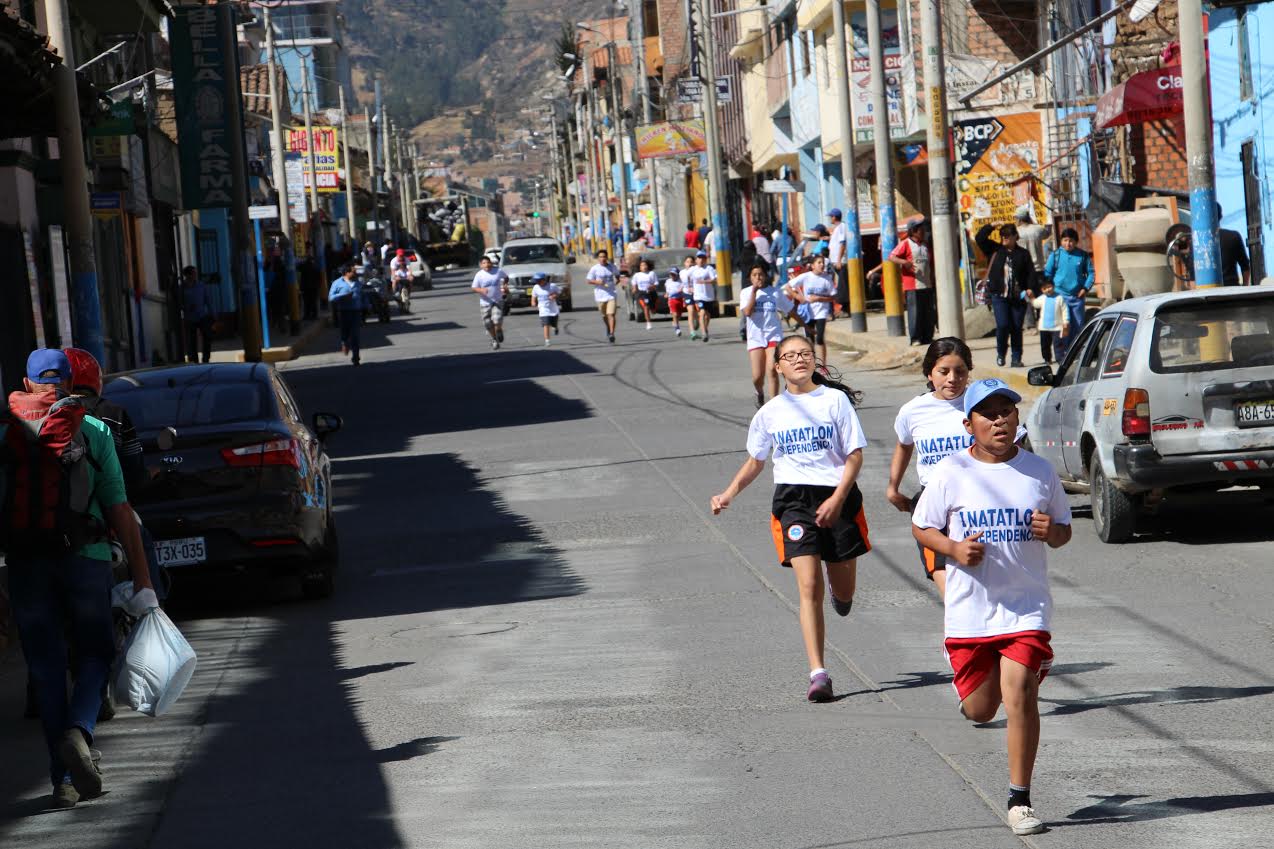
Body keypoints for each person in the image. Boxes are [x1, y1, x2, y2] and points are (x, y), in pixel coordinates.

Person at [912, 377, 1072, 836]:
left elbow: (1063, 531)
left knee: (1019, 691)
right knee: (981, 710)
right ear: (969, 424)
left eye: (1007, 412)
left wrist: (1051, 532)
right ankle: (985, 689)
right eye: (988, 414)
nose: (999, 421)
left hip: (1026, 608)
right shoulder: (951, 472)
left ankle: (1020, 799)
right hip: (970, 613)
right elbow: (923, 527)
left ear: (1017, 418)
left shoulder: (1039, 471)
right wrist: (954, 549)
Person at [3, 349, 156, 809]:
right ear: (69, 382)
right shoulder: (93, 429)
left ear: (27, 385)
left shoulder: (5, 435)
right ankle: (80, 730)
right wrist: (144, 580)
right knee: (96, 653)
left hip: (26, 565)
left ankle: (63, 780)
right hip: (86, 559)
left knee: (46, 669)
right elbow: (119, 508)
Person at [711, 335, 870, 703]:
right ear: (778, 366)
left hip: (838, 495)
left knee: (843, 592)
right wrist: (728, 493)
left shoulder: (835, 401)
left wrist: (837, 499)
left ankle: (841, 594)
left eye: (805, 353)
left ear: (814, 360)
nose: (799, 359)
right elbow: (756, 461)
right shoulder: (770, 413)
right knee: (808, 585)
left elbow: (855, 455)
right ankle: (818, 673)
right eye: (791, 355)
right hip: (794, 501)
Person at [886, 338, 977, 599]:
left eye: (960, 371)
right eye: (943, 371)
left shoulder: (981, 404)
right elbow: (904, 445)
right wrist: (893, 487)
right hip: (932, 501)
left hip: (977, 499)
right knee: (944, 576)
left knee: (977, 578)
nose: (952, 379)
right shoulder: (913, 411)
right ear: (929, 373)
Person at [976, 222, 1036, 367]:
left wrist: (1030, 288)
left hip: (1017, 297)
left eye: (1008, 236)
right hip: (999, 297)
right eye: (1002, 236)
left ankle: (1016, 358)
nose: (1004, 238)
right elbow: (980, 238)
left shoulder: (1023, 254)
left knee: (1016, 328)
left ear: (1015, 236)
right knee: (1003, 325)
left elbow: (1030, 273)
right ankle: (1001, 353)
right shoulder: (995, 250)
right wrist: (992, 226)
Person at [740, 263, 798, 407]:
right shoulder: (746, 292)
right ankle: (759, 392)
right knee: (757, 376)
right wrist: (754, 292)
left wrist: (805, 325)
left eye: (760, 274)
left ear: (765, 276)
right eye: (754, 275)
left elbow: (790, 310)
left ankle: (773, 405)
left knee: (772, 369)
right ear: (750, 278)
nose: (758, 277)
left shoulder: (775, 292)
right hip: (755, 338)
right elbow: (747, 312)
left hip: (773, 335)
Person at [1041, 227, 1092, 357]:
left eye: (1071, 241)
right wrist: (1049, 289)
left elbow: (1091, 273)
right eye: (1065, 240)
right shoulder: (1055, 255)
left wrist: (1085, 288)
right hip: (1060, 296)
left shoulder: (1083, 256)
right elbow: (1047, 273)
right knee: (1063, 325)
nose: (1068, 243)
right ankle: (1063, 353)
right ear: (1061, 241)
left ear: (1076, 242)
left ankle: (1077, 352)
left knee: (1078, 325)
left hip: (1077, 297)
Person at [888, 219, 936, 347]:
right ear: (914, 231)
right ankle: (915, 338)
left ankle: (927, 337)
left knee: (928, 312)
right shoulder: (905, 243)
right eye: (921, 229)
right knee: (915, 313)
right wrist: (904, 262)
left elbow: (931, 263)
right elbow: (892, 256)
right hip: (912, 285)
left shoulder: (926, 245)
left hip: (927, 284)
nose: (923, 231)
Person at [788, 254, 836, 365]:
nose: (822, 265)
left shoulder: (827, 278)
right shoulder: (806, 276)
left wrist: (819, 298)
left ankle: (823, 365)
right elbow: (788, 287)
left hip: (821, 312)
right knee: (810, 340)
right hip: (808, 312)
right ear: (812, 265)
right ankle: (812, 364)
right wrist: (798, 297)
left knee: (820, 338)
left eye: (823, 262)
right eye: (819, 262)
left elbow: (833, 297)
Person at [471, 255, 509, 350]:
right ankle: (494, 339)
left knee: (497, 319)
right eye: (484, 263)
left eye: (488, 262)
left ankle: (499, 330)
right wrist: (481, 290)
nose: (487, 264)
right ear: (480, 265)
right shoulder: (479, 275)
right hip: (485, 302)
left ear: (491, 263)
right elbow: (474, 288)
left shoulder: (498, 271)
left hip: (497, 300)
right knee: (488, 323)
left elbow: (506, 277)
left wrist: (504, 285)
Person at [328, 266, 365, 365]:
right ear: (346, 273)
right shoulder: (337, 283)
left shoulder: (358, 283)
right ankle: (344, 342)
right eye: (353, 272)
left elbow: (362, 295)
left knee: (355, 335)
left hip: (356, 312)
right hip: (343, 312)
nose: (356, 273)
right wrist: (343, 296)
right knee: (345, 332)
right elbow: (331, 297)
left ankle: (356, 357)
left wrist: (367, 305)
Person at [180, 266, 214, 364]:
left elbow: (207, 299)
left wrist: (212, 313)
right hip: (190, 318)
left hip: (202, 316)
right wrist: (186, 307)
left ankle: (206, 359)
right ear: (187, 275)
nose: (195, 275)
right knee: (192, 341)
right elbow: (179, 303)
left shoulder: (201, 285)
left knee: (207, 337)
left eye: (195, 273)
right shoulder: (182, 288)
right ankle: (194, 361)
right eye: (193, 273)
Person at [586, 248, 620, 344]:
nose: (602, 259)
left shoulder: (612, 267)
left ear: (607, 257)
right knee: (604, 315)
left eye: (604, 257)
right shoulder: (594, 268)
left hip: (611, 294)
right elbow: (588, 280)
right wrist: (597, 282)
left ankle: (612, 334)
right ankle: (608, 328)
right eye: (600, 257)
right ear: (598, 258)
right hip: (600, 295)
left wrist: (616, 282)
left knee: (611, 314)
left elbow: (617, 276)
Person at [1031, 280, 1069, 365]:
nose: (1048, 289)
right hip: (1044, 328)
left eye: (1049, 287)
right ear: (1042, 290)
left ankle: (1059, 358)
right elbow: (1035, 303)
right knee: (1045, 345)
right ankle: (1047, 359)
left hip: (1057, 327)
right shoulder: (1042, 298)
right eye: (1045, 288)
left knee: (1058, 344)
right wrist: (1030, 297)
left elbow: (1064, 310)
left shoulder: (1059, 298)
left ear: (1053, 286)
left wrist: (1066, 321)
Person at [686, 250, 718, 342]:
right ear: (696, 260)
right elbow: (687, 276)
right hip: (698, 296)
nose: (701, 260)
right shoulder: (693, 269)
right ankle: (704, 333)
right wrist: (689, 287)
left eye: (703, 258)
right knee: (702, 312)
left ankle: (705, 328)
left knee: (707, 316)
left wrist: (704, 282)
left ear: (705, 260)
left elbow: (714, 280)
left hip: (709, 296)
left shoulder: (709, 268)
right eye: (699, 258)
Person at [1217, 205, 1252, 285]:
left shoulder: (1197, 242)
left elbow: (1192, 277)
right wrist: (1244, 286)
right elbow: (1245, 266)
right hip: (1232, 287)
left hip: (1207, 290)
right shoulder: (1233, 236)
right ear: (1221, 216)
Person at [530, 272, 560, 347]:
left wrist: (553, 296)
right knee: (546, 324)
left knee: (554, 324)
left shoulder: (552, 286)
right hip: (543, 308)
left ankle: (555, 327)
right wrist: (533, 302)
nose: (538, 282)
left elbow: (558, 292)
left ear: (544, 280)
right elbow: (533, 296)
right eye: (536, 281)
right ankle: (547, 340)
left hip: (553, 308)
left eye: (539, 281)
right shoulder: (536, 287)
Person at [827, 208, 848, 310]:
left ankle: (845, 307)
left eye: (831, 216)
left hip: (841, 262)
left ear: (834, 217)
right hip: (835, 261)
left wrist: (839, 260)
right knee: (842, 284)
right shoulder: (837, 228)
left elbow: (842, 243)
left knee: (843, 286)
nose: (830, 218)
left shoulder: (841, 227)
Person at [631, 257, 660, 331]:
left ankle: (653, 309)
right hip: (642, 293)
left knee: (653, 309)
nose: (644, 267)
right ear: (639, 267)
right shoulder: (637, 275)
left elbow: (656, 283)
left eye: (645, 265)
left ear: (648, 266)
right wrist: (634, 288)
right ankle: (648, 323)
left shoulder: (651, 273)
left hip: (651, 292)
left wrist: (652, 286)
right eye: (642, 265)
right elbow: (634, 283)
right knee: (646, 307)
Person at [665, 266, 688, 337]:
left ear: (677, 275)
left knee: (679, 315)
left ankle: (675, 321)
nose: (672, 276)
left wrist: (681, 291)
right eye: (671, 274)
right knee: (674, 314)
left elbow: (683, 289)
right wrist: (667, 294)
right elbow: (667, 291)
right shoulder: (668, 281)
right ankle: (677, 328)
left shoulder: (681, 281)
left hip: (680, 299)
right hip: (672, 300)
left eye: (674, 274)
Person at [389, 248, 411, 314]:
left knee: (410, 281)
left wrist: (410, 275)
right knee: (394, 281)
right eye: (400, 255)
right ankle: (394, 292)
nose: (401, 257)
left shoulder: (406, 259)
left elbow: (409, 269)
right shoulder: (393, 261)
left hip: (405, 276)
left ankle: (409, 293)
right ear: (397, 255)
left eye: (402, 255)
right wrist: (395, 277)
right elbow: (393, 271)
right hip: (396, 275)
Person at [299, 256, 322, 320]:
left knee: (306, 302)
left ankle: (307, 315)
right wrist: (318, 286)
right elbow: (319, 277)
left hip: (305, 287)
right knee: (314, 301)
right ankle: (314, 315)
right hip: (314, 287)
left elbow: (298, 268)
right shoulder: (316, 267)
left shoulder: (304, 266)